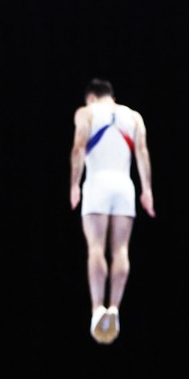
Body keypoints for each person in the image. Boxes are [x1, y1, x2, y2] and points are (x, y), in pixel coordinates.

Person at [70, 78, 155, 344]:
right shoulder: (134, 116)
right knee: (120, 251)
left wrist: (74, 184)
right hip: (124, 186)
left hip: (96, 184)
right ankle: (115, 308)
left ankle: (97, 309)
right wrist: (147, 190)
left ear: (91, 98)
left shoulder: (87, 112)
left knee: (96, 248)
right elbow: (142, 152)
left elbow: (78, 147)